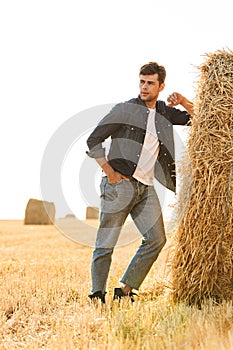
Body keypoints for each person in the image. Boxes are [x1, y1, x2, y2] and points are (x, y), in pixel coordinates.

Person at [86, 61, 193, 303]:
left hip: (146, 188)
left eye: (150, 83)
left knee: (156, 239)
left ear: (161, 86)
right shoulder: (125, 109)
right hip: (119, 185)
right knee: (106, 244)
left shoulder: (165, 112)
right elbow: (93, 140)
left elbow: (200, 119)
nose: (144, 87)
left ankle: (125, 291)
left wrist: (185, 101)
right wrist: (109, 172)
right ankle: (97, 295)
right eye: (142, 82)